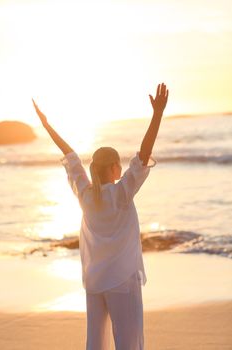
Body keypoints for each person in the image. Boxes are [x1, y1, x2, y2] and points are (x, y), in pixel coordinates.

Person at [32, 83, 169, 350]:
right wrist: (157, 115)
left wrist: (47, 127)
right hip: (122, 281)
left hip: (95, 283)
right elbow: (143, 156)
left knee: (95, 344)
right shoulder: (122, 194)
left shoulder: (85, 195)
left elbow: (69, 155)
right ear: (116, 168)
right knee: (129, 344)